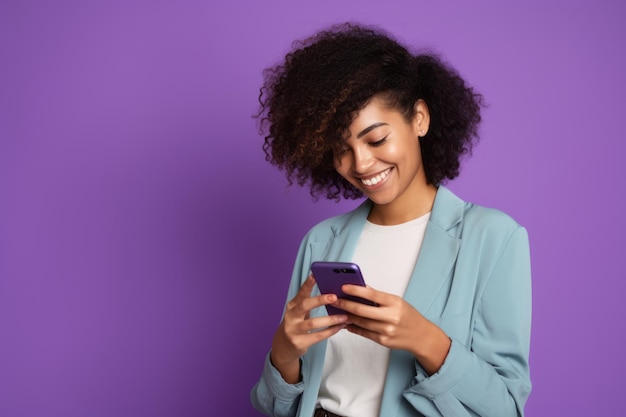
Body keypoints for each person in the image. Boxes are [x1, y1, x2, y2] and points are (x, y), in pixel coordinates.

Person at [250, 22, 531, 417]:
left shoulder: (493, 238)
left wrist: (427, 341)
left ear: (419, 118)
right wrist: (284, 352)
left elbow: (506, 408)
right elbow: (273, 406)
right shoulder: (321, 241)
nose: (360, 164)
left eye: (376, 139)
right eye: (340, 149)